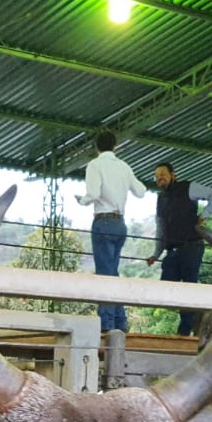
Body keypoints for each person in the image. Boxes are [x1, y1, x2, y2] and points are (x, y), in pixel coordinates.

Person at [76, 130, 147, 335]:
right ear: (115, 146)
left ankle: (107, 324)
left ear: (96, 147)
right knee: (113, 272)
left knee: (104, 274)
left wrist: (82, 201)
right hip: (120, 223)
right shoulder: (124, 166)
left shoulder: (95, 165)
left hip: (103, 221)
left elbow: (94, 193)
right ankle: (119, 320)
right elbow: (141, 191)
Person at [148, 161, 212, 336]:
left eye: (163, 174)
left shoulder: (188, 187)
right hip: (172, 250)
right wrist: (156, 253)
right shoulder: (161, 198)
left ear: (173, 175)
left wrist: (204, 216)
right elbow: (161, 228)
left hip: (191, 246)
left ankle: (185, 330)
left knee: (189, 287)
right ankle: (194, 315)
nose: (160, 178)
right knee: (166, 285)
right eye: (157, 175)